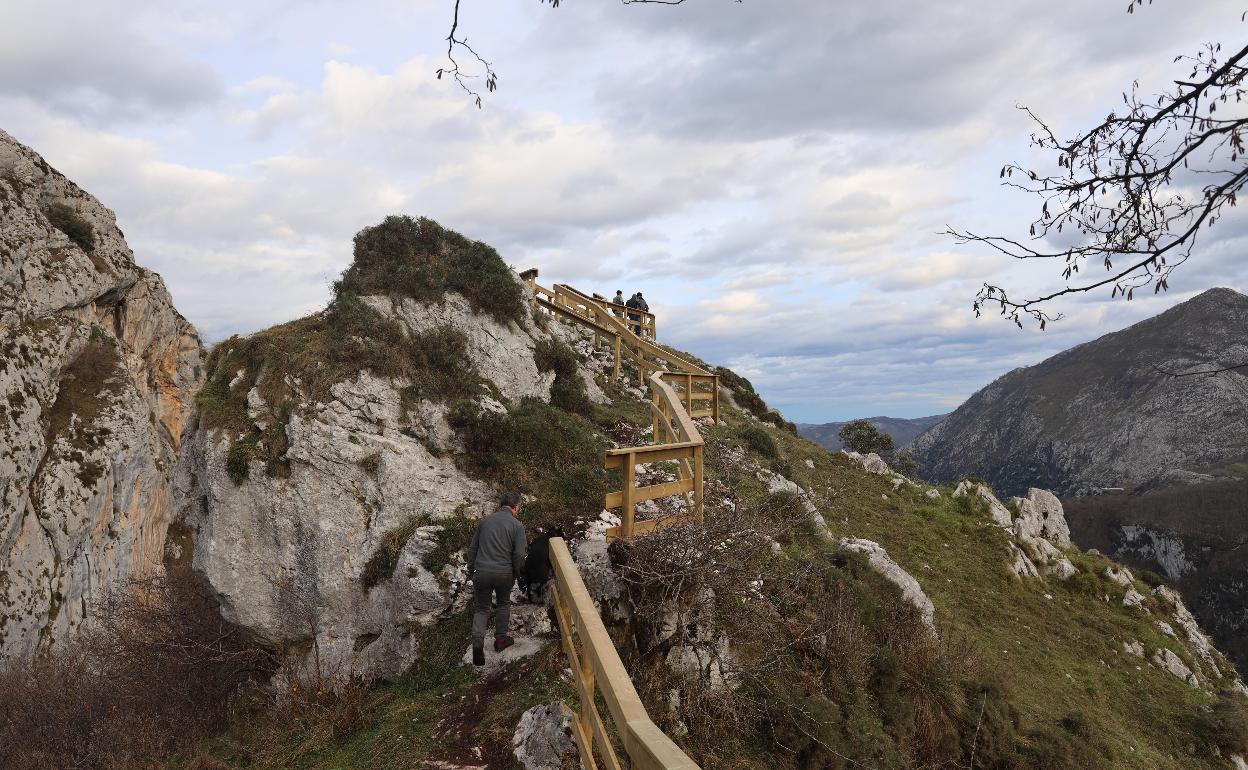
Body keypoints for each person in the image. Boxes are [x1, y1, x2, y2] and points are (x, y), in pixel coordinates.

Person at [467, 491, 527, 666]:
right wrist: (517, 573)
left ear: (501, 505)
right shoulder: (517, 525)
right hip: (504, 573)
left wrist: (471, 569)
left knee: (482, 608)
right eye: (519, 508)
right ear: (516, 507)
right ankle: (500, 640)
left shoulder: (484, 522)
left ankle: (478, 641)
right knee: (503, 603)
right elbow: (518, 554)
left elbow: (473, 549)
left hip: (482, 572)